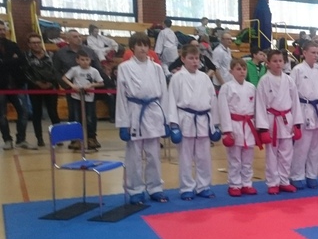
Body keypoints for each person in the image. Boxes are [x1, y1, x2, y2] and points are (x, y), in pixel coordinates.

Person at [115, 32, 170, 204]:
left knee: (154, 154)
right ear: (132, 47)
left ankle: (155, 188)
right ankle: (135, 190)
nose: (143, 48)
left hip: (153, 111)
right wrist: (123, 123)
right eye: (139, 45)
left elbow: (164, 95)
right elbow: (121, 97)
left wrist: (166, 120)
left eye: (145, 45)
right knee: (134, 156)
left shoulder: (157, 68)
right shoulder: (124, 68)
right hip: (134, 112)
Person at [168, 44, 221, 200]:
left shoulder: (204, 77)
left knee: (204, 157)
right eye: (191, 58)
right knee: (185, 157)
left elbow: (213, 100)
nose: (195, 61)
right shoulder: (177, 77)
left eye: (197, 58)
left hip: (204, 120)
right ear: (183, 59)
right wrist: (174, 125)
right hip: (185, 119)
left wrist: (215, 125)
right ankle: (186, 188)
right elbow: (171, 101)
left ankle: (203, 186)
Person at [256, 50, 302, 195]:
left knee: (287, 154)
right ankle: (272, 182)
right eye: (274, 61)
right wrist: (263, 128)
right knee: (272, 154)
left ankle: (284, 181)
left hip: (287, 119)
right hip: (271, 120)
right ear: (268, 63)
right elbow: (260, 104)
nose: (278, 64)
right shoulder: (264, 80)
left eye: (280, 61)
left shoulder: (289, 80)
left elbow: (295, 102)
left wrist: (297, 124)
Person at [218, 58, 260, 197]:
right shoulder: (226, 87)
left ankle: (247, 183)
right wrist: (227, 130)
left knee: (248, 158)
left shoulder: (251, 87)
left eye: (244, 69)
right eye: (238, 69)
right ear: (231, 71)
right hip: (234, 125)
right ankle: (234, 184)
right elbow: (223, 109)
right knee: (235, 158)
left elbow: (256, 108)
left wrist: (258, 127)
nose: (242, 71)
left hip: (249, 125)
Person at [289, 41, 318, 189]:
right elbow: (292, 94)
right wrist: (295, 116)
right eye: (313, 52)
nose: (316, 55)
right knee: (301, 146)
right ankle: (296, 175)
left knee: (316, 147)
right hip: (303, 108)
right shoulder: (297, 70)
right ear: (304, 53)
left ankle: (312, 175)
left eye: (317, 53)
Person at [62, 49, 105, 150]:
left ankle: (91, 138)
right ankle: (77, 139)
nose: (85, 62)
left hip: (89, 98)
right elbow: (64, 78)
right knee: (77, 118)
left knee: (90, 118)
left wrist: (91, 85)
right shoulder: (74, 69)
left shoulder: (94, 71)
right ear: (77, 60)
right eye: (82, 59)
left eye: (87, 59)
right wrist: (73, 86)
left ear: (90, 60)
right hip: (76, 97)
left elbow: (101, 83)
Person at [0, 21, 34, 150]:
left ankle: (21, 139)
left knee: (24, 112)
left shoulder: (13, 45)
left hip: (16, 84)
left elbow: (22, 61)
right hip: (1, 87)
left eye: (3, 29)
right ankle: (7, 140)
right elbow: (14, 61)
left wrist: (5, 62)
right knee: (1, 115)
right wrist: (12, 60)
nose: (2, 32)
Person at [25, 33, 62, 147]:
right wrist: (37, 83)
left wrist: (50, 83)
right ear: (29, 44)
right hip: (34, 88)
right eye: (33, 43)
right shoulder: (26, 57)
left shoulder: (51, 55)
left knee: (53, 113)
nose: (36, 45)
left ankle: (58, 137)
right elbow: (25, 72)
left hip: (51, 87)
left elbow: (56, 70)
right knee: (37, 113)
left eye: (38, 42)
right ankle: (39, 139)